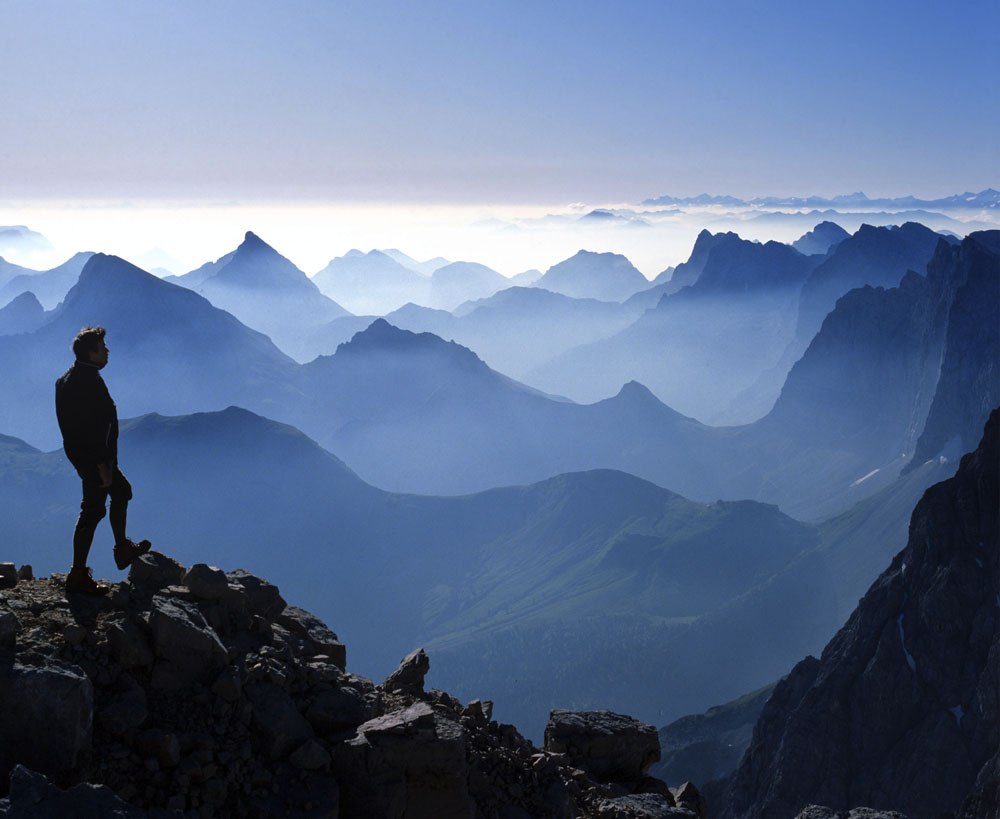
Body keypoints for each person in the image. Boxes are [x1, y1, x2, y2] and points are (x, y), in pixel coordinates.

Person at [55, 326, 149, 595]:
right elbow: (94, 428)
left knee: (120, 493)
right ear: (90, 352)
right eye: (102, 347)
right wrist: (102, 465)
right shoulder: (88, 383)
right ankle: (78, 575)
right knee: (93, 510)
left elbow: (73, 428)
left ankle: (120, 550)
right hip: (96, 461)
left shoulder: (67, 379)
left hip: (87, 458)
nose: (107, 351)